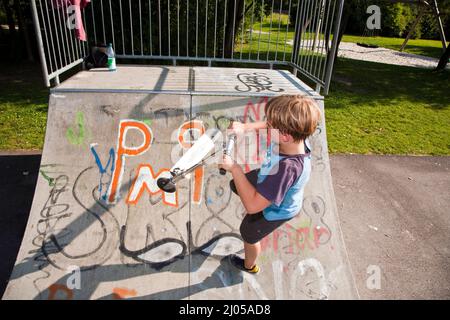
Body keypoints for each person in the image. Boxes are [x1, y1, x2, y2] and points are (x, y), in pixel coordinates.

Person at [219, 94, 322, 274]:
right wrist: (245, 127)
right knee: (237, 185)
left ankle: (249, 266)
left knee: (247, 232)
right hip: (267, 176)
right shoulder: (297, 137)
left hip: (276, 210)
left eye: (271, 126)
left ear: (285, 136)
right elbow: (272, 125)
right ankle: (253, 191)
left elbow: (252, 207)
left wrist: (234, 168)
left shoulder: (286, 170)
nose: (268, 127)